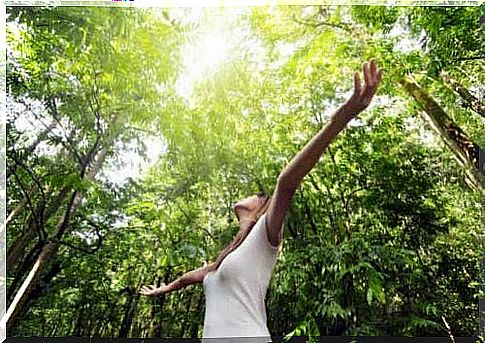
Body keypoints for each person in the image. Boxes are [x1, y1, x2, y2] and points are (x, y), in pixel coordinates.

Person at [139, 59, 383, 342]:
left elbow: (287, 183)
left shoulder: (264, 235)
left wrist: (339, 120)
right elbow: (186, 279)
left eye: (256, 195)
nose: (246, 196)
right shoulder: (221, 261)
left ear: (261, 207)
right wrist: (163, 289)